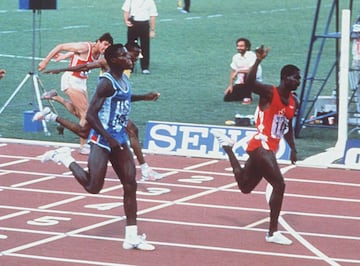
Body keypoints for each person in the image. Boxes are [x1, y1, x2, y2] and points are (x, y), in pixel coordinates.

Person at [40, 43, 156, 250]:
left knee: (131, 185)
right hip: (102, 141)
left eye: (128, 55)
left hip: (119, 138)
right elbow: (91, 115)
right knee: (94, 187)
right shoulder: (106, 82)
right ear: (113, 60)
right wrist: (108, 138)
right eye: (124, 56)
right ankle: (65, 157)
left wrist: (144, 97)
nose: (129, 58)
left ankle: (132, 236)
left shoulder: (124, 79)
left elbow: (124, 98)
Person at [36, 41, 163, 181]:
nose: (135, 59)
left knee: (91, 130)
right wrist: (61, 70)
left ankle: (51, 116)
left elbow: (122, 96)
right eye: (134, 55)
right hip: (103, 109)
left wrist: (145, 97)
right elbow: (85, 66)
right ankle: (144, 168)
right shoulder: (109, 62)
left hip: (114, 109)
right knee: (87, 126)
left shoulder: (126, 67)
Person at [212, 45, 299, 245]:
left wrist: (293, 148)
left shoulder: (294, 101)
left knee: (245, 186)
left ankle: (228, 149)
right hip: (261, 145)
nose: (299, 81)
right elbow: (250, 83)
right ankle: (272, 232)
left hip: (270, 148)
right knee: (279, 184)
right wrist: (258, 60)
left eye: (299, 78)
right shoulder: (270, 92)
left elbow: (287, 127)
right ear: (285, 77)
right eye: (295, 77)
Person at [38, 33, 114, 154]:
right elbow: (61, 46)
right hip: (71, 80)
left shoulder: (99, 53)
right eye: (104, 44)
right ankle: (83, 146)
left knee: (79, 114)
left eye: (108, 46)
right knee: (87, 114)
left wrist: (65, 56)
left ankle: (55, 97)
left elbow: (75, 53)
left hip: (82, 83)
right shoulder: (85, 47)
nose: (105, 48)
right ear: (98, 41)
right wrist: (45, 61)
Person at [122, 0, 158, 74]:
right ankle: (130, 66)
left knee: (145, 46)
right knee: (131, 46)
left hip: (144, 24)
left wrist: (152, 30)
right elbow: (126, 10)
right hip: (133, 24)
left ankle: (145, 67)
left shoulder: (150, 1)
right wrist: (126, 20)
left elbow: (153, 16)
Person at [224, 38, 262, 105]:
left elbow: (251, 71)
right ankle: (243, 94)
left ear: (247, 47)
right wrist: (230, 86)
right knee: (227, 98)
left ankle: (248, 97)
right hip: (241, 82)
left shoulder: (251, 55)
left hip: (254, 81)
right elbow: (233, 71)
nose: (239, 48)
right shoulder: (235, 57)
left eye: (241, 46)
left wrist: (238, 71)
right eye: (238, 46)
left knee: (246, 75)